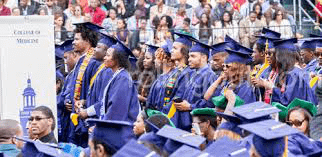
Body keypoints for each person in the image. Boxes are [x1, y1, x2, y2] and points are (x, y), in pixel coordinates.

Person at [170, 38, 217, 131]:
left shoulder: (209, 76)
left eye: (193, 56)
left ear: (204, 57)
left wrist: (190, 106)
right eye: (189, 56)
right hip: (187, 122)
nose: (189, 59)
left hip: (200, 125)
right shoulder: (194, 74)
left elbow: (209, 103)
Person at [68, 22, 102, 147]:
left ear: (87, 40)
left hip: (86, 118)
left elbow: (94, 92)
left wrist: (84, 105)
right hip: (76, 114)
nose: (73, 42)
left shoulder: (93, 62)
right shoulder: (81, 60)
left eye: (76, 39)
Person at [263, 39, 318, 106]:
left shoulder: (294, 74)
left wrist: (271, 88)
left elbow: (289, 103)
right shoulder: (290, 72)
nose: (275, 59)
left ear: (283, 57)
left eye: (276, 56)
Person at [99, 38, 140, 122]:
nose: (104, 58)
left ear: (116, 60)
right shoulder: (117, 75)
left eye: (108, 55)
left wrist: (103, 125)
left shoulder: (123, 78)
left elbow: (116, 108)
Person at [161, 32, 193, 122]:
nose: (171, 50)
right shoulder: (175, 71)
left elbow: (178, 98)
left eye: (175, 48)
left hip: (176, 118)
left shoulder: (188, 72)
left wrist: (163, 114)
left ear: (184, 52)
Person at [146, 42, 175, 111]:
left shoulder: (172, 76)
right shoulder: (161, 76)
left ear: (164, 60)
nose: (154, 61)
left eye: (157, 58)